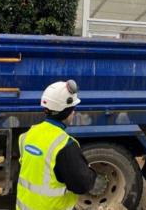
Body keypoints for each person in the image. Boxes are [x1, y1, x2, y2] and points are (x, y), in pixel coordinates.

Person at [16, 80, 106, 210]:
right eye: (73, 109)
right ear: (67, 111)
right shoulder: (64, 145)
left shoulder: (27, 135)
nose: (74, 112)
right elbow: (82, 185)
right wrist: (89, 171)